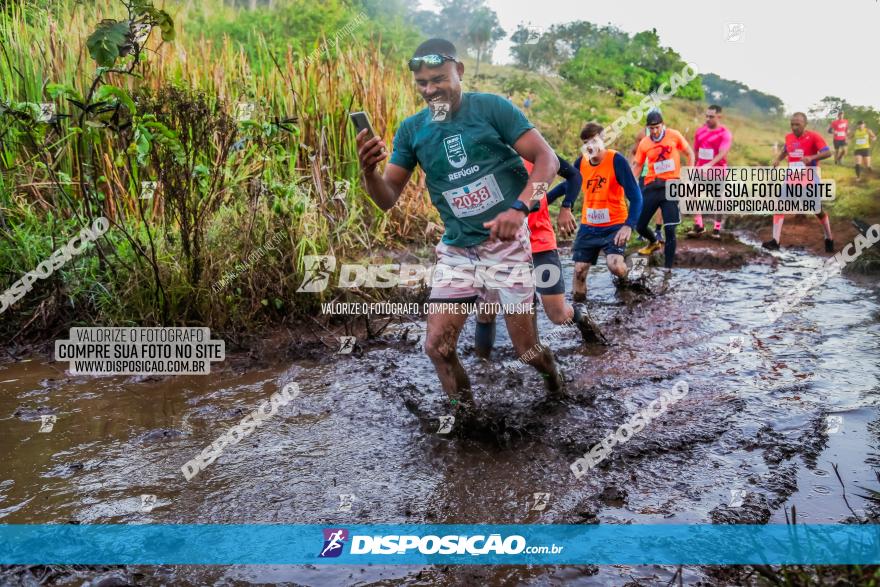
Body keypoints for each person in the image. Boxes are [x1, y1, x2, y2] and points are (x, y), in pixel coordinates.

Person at [355, 39, 566, 424]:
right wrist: (369, 172)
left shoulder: (491, 108)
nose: (430, 89)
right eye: (422, 83)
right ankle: (465, 420)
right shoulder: (412, 131)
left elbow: (547, 159)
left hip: (505, 246)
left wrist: (520, 208)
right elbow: (386, 199)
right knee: (437, 347)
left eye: (438, 79)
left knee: (526, 349)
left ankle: (556, 382)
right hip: (458, 250)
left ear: (460, 72)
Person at [474, 153, 608, 355]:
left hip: (539, 242)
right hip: (502, 246)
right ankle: (483, 368)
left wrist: (566, 206)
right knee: (486, 311)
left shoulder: (536, 152)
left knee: (558, 315)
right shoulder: (483, 158)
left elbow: (574, 175)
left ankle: (585, 322)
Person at [570, 122, 643, 300]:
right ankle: (580, 314)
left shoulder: (616, 161)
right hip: (589, 225)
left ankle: (628, 283)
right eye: (586, 142)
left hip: (615, 225)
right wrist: (547, 201)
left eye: (594, 141)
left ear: (603, 140)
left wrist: (628, 226)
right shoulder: (580, 162)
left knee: (615, 265)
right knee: (579, 270)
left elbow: (636, 197)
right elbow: (568, 186)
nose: (590, 146)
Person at [631, 110, 695, 270]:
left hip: (671, 186)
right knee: (639, 225)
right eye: (651, 128)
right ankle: (653, 243)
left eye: (657, 127)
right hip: (652, 186)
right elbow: (638, 165)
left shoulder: (674, 135)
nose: (655, 131)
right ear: (647, 128)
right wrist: (630, 185)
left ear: (663, 125)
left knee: (670, 228)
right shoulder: (645, 143)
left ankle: (668, 269)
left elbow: (689, 153)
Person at [764, 112, 834, 252]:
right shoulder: (789, 137)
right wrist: (778, 159)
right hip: (791, 177)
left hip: (809, 178)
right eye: (792, 124)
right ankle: (775, 241)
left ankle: (829, 238)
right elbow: (786, 149)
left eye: (798, 124)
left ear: (805, 124)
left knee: (816, 210)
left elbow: (828, 152)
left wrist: (812, 157)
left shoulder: (814, 136)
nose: (794, 127)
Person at [689, 105, 732, 239]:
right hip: (700, 170)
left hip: (717, 172)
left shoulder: (725, 133)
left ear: (719, 117)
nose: (708, 119)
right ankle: (699, 226)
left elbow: (722, 153)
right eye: (706, 116)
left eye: (711, 116)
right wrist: (693, 166)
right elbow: (695, 150)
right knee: (693, 195)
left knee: (718, 200)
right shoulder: (700, 131)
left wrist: (710, 164)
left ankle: (716, 229)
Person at [630, 125, 663, 244]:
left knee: (660, 204)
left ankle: (658, 231)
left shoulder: (665, 135)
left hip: (659, 175)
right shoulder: (642, 134)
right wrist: (633, 171)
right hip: (645, 175)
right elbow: (634, 152)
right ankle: (642, 231)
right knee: (642, 203)